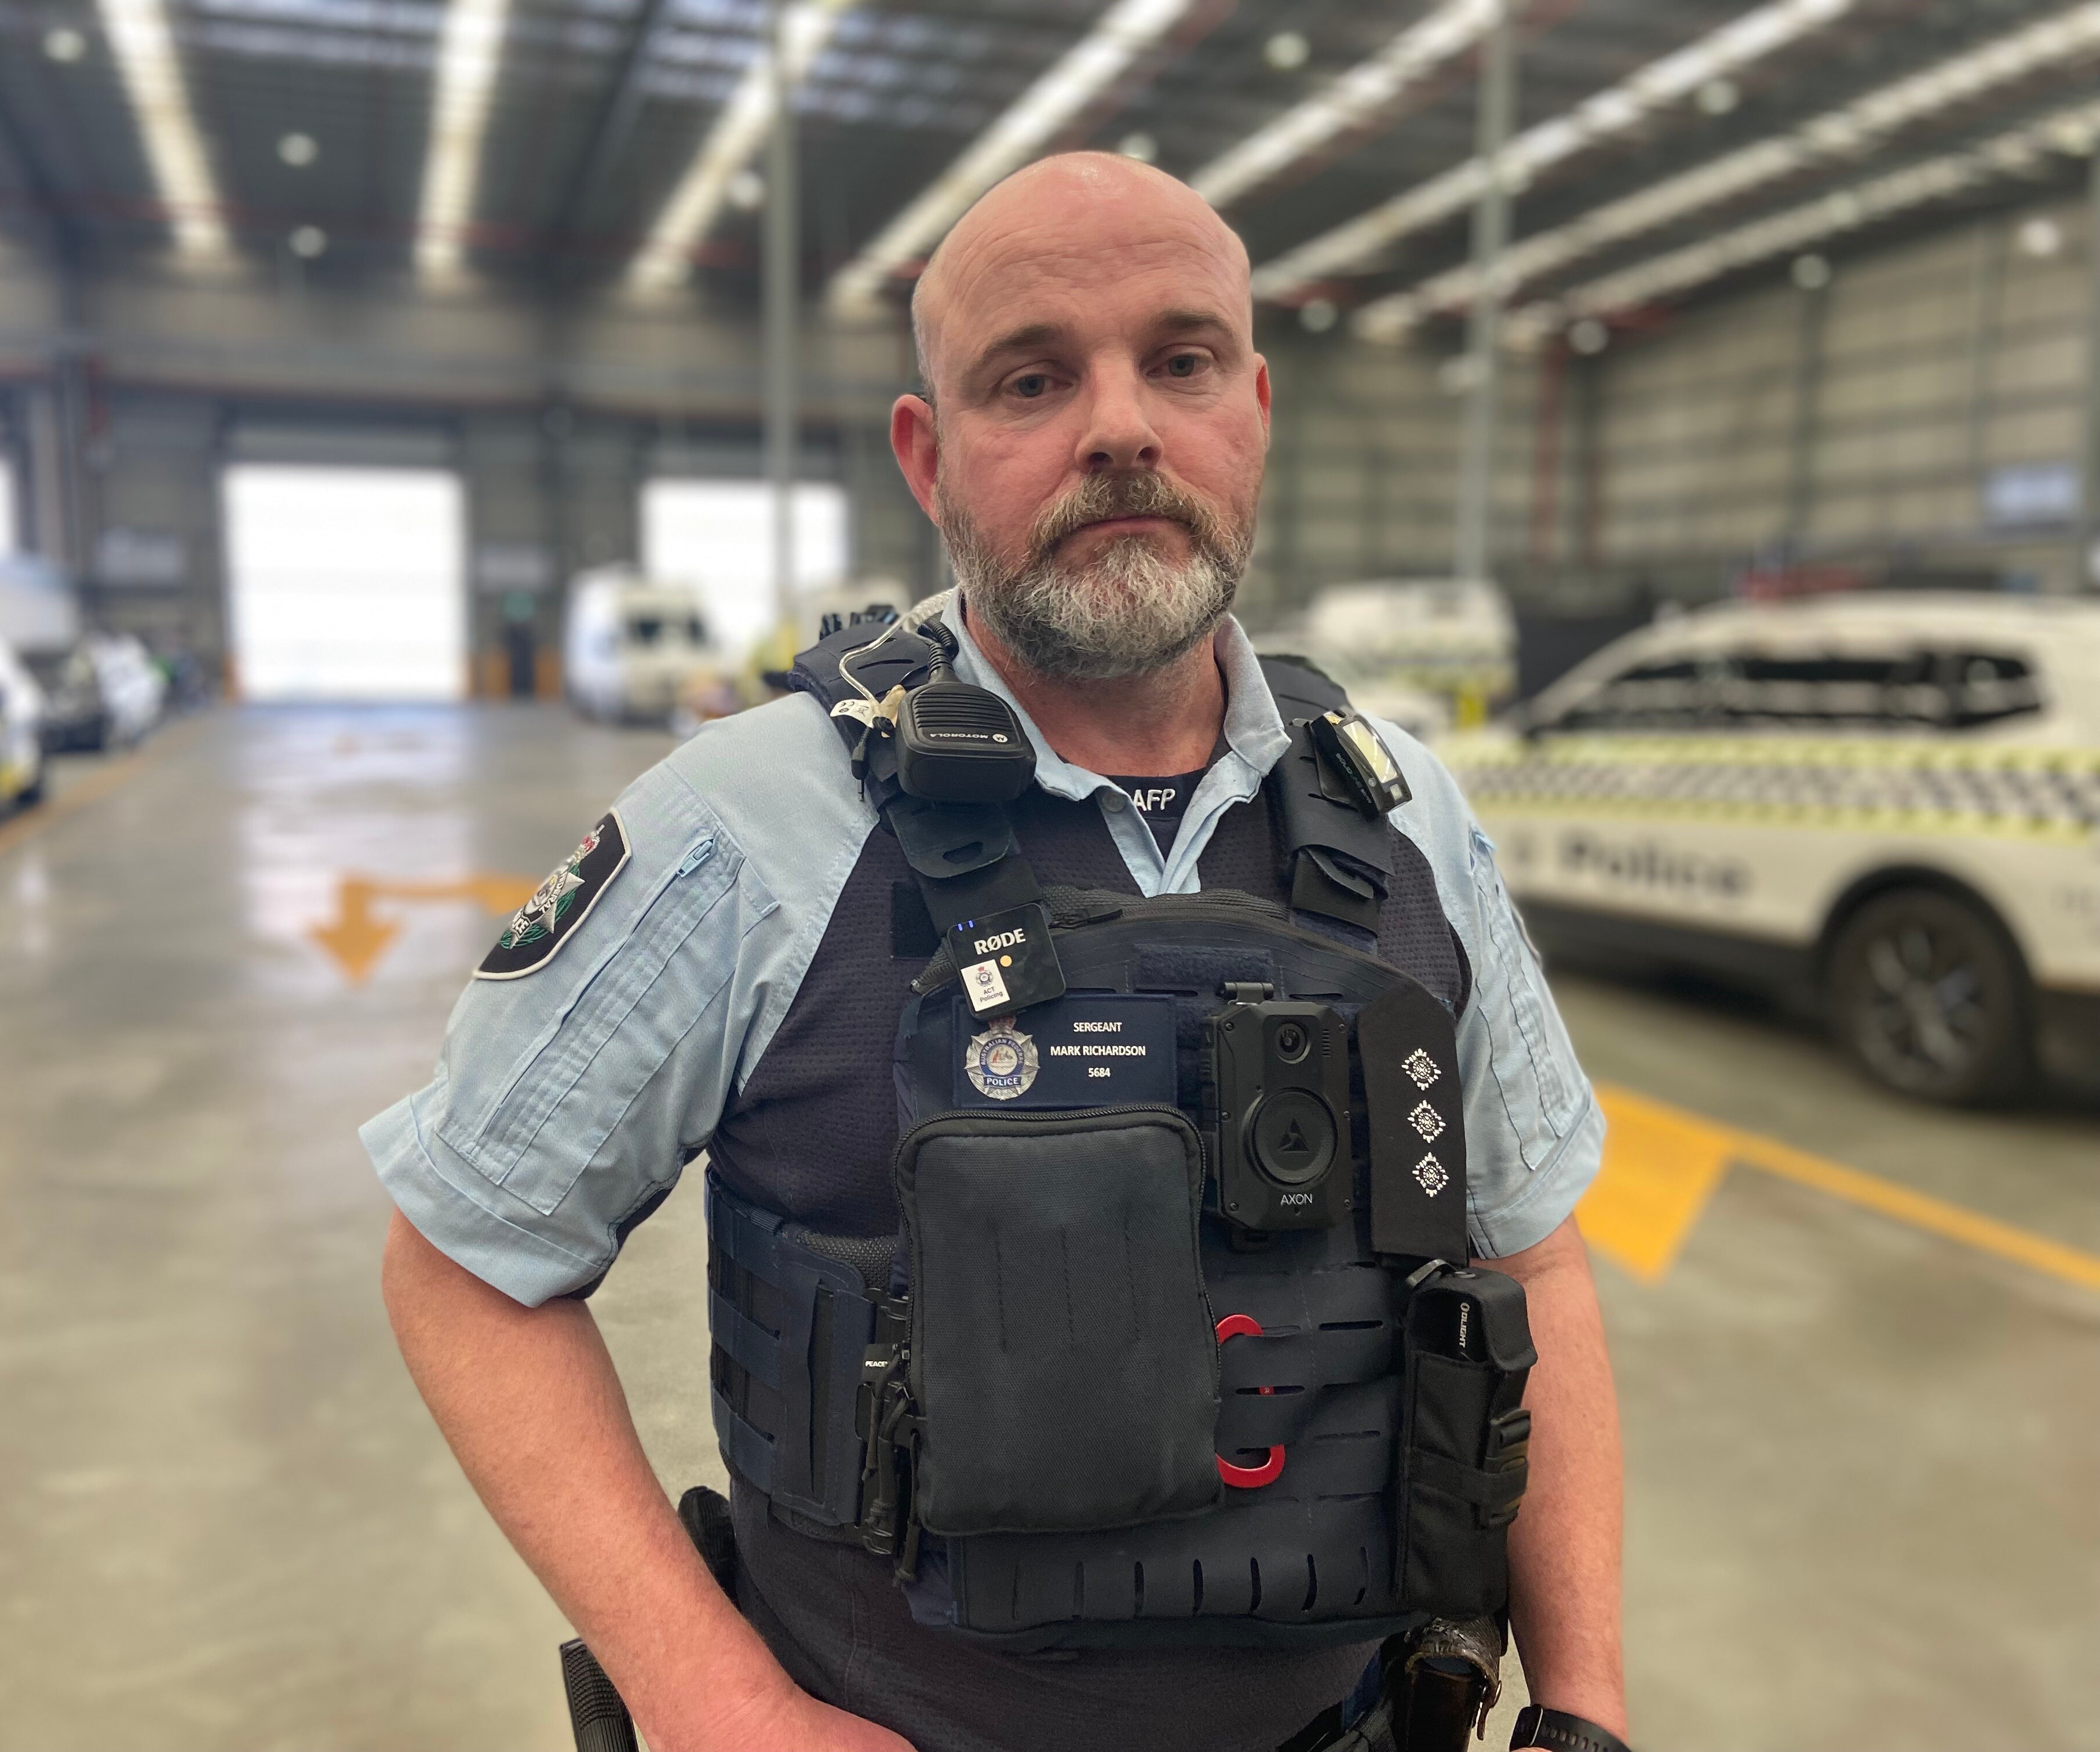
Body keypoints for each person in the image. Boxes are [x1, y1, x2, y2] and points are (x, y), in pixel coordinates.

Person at [366, 152, 1624, 1752]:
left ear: (1254, 407)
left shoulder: (1406, 822)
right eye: (1031, 378)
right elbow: (466, 1266)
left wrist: (1584, 1700)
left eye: (1178, 362)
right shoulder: (755, 823)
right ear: (929, 453)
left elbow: (1532, 1255)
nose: (1119, 426)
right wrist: (722, 1705)